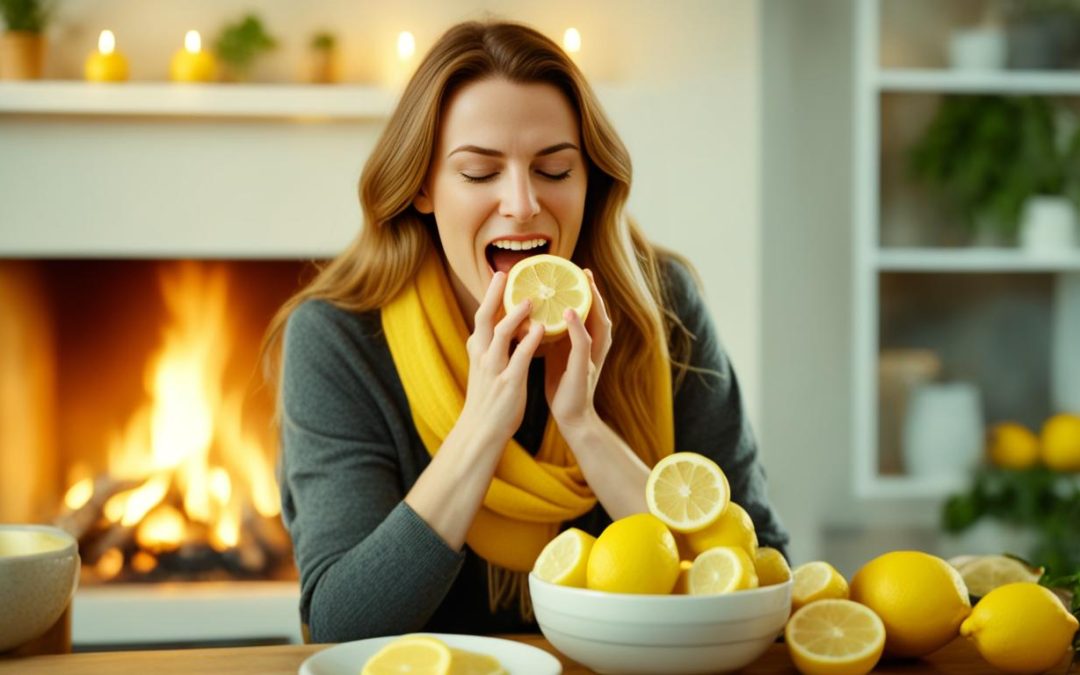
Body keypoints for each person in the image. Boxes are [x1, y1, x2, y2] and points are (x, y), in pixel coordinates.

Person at [264, 19, 788, 643]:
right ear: (423, 187)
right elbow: (339, 623)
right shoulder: (337, 339)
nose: (522, 202)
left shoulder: (663, 306)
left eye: (555, 170)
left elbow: (754, 581)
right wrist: (483, 426)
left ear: (590, 182)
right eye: (480, 173)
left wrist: (585, 429)